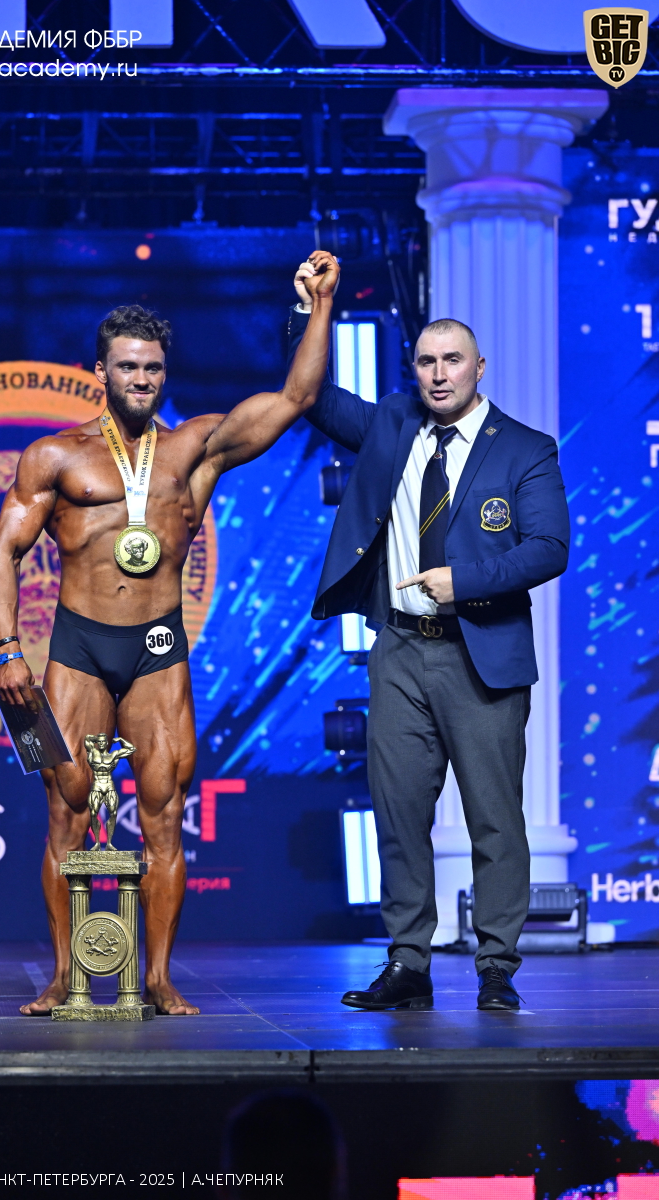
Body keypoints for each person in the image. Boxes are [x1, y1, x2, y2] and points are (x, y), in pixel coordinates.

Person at [0, 250, 340, 1016]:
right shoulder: (55, 456)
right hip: (76, 649)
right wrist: (9, 650)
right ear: (101, 371)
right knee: (65, 809)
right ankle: (62, 976)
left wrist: (319, 305)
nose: (141, 379)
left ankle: (158, 978)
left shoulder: (195, 450)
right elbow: (2, 552)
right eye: (127, 367)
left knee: (164, 814)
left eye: (151, 368)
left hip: (156, 651)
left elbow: (298, 396)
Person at [291, 263, 570, 1011]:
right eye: (425, 361)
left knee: (495, 821)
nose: (439, 374)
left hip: (481, 652)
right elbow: (311, 397)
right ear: (412, 369)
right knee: (398, 815)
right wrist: (310, 312)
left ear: (480, 367)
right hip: (400, 651)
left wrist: (464, 580)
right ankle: (409, 964)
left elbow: (550, 549)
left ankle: (496, 968)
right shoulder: (392, 423)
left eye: (452, 360)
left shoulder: (526, 448)